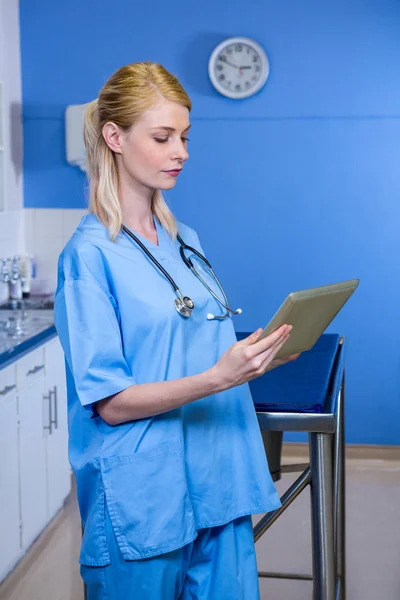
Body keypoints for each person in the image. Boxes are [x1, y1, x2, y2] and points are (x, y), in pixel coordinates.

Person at [54, 61, 298, 600]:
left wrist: (253, 355)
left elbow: (186, 341)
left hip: (218, 471)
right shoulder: (88, 258)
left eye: (185, 136)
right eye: (163, 137)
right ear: (114, 137)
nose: (181, 151)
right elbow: (111, 403)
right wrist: (218, 377)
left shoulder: (183, 238)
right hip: (144, 490)